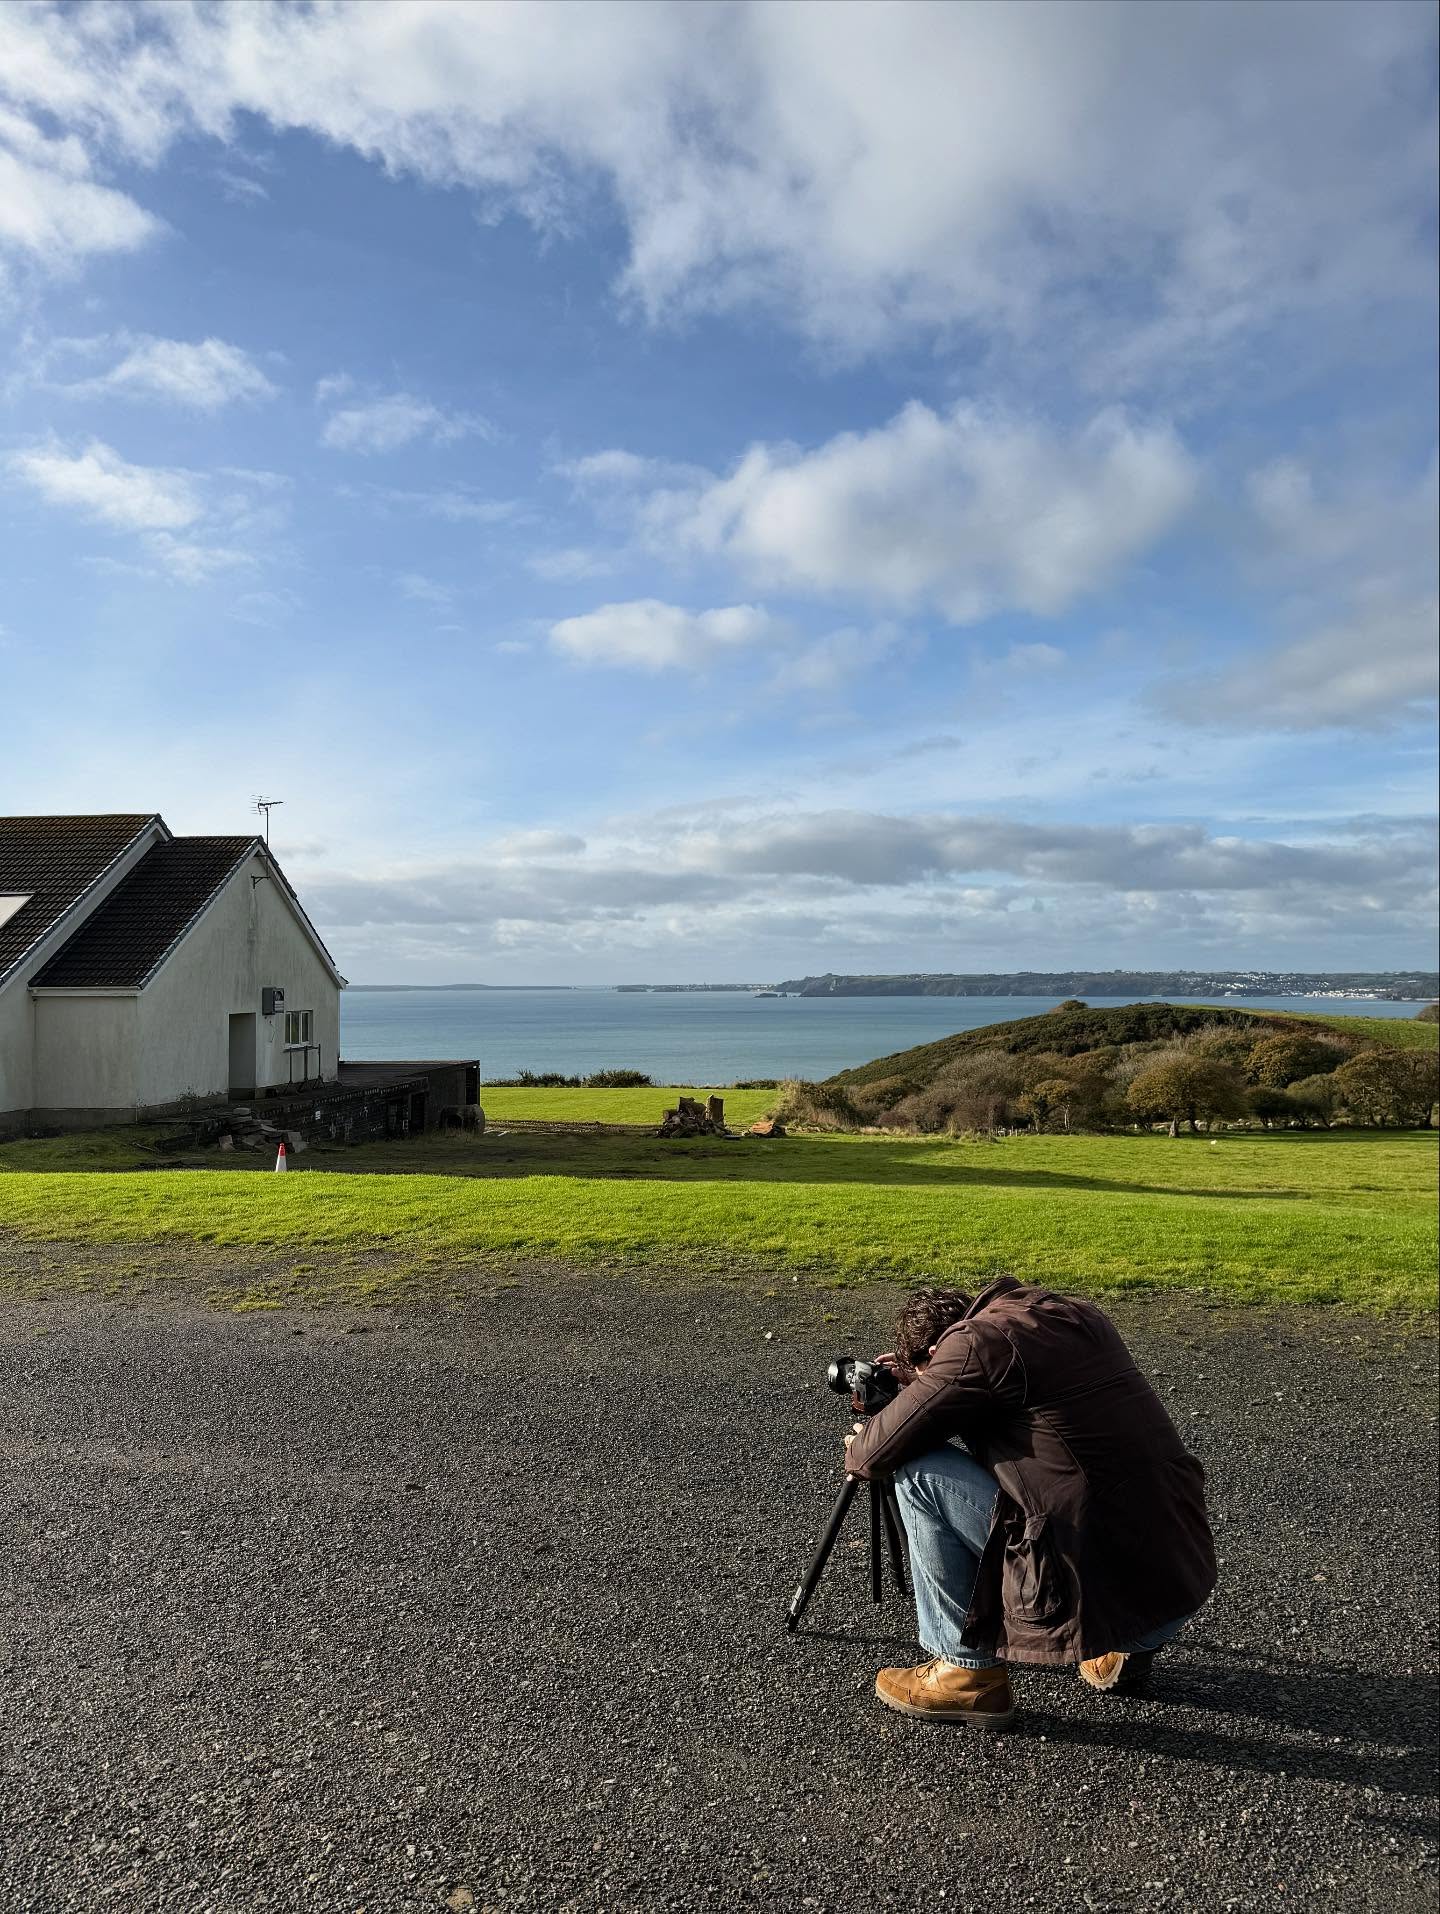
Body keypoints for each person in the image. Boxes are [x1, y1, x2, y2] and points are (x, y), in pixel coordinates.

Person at [841, 1276, 1216, 1728]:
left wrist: (919, 1391)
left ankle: (965, 1674)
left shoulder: (974, 1347)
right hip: (1175, 1574)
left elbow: (870, 1456)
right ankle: (1121, 1646)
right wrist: (928, 1380)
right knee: (1100, 1486)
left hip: (1084, 1582)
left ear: (935, 1354)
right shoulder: (1074, 1315)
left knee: (915, 1470)